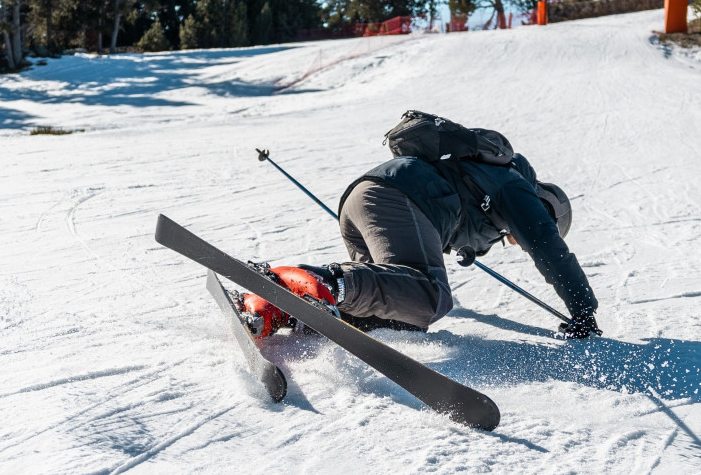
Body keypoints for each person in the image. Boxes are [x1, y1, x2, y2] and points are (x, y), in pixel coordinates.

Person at [241, 111, 601, 340]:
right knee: (431, 295)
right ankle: (325, 282)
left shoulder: (492, 180)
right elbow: (548, 246)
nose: (515, 241)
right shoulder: (517, 187)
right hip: (400, 198)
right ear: (548, 208)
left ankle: (284, 307)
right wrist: (583, 310)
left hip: (366, 199)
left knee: (403, 314)